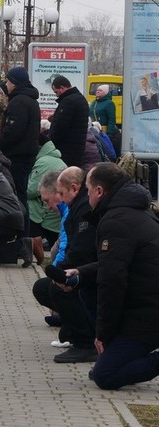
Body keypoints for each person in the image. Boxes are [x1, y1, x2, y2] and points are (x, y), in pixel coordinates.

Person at [79, 163, 159, 390]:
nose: (87, 196)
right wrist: (81, 273)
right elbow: (115, 266)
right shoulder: (134, 210)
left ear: (99, 191)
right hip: (144, 305)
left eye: (87, 190)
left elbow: (112, 281)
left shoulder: (116, 221)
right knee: (104, 369)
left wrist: (103, 334)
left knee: (105, 375)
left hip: (148, 314)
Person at [31, 167, 99, 364]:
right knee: (49, 286)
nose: (57, 200)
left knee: (58, 287)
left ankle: (85, 342)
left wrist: (62, 270)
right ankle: (76, 326)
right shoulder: (77, 208)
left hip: (93, 271)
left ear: (75, 189)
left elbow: (80, 248)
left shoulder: (82, 209)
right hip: (90, 268)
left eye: (60, 194)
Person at [0, 66, 41, 240]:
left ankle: (22, 238)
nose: (6, 84)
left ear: (14, 82)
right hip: (26, 154)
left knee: (18, 197)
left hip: (17, 156)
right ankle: (23, 237)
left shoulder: (19, 101)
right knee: (20, 195)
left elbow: (13, 132)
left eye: (8, 81)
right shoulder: (30, 100)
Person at [27, 133, 66, 262]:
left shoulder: (43, 162)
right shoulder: (57, 159)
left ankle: (38, 256)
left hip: (43, 214)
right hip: (54, 214)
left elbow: (31, 190)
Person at [48, 75, 89, 168]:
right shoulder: (81, 99)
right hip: (77, 149)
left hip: (65, 149)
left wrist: (50, 142)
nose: (56, 95)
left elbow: (59, 127)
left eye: (56, 92)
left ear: (62, 88)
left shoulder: (68, 101)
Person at [89, 85, 119, 154]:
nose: (98, 91)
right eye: (97, 90)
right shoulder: (94, 102)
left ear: (105, 92)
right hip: (94, 129)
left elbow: (111, 119)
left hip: (104, 130)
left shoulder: (109, 103)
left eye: (100, 90)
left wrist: (110, 133)